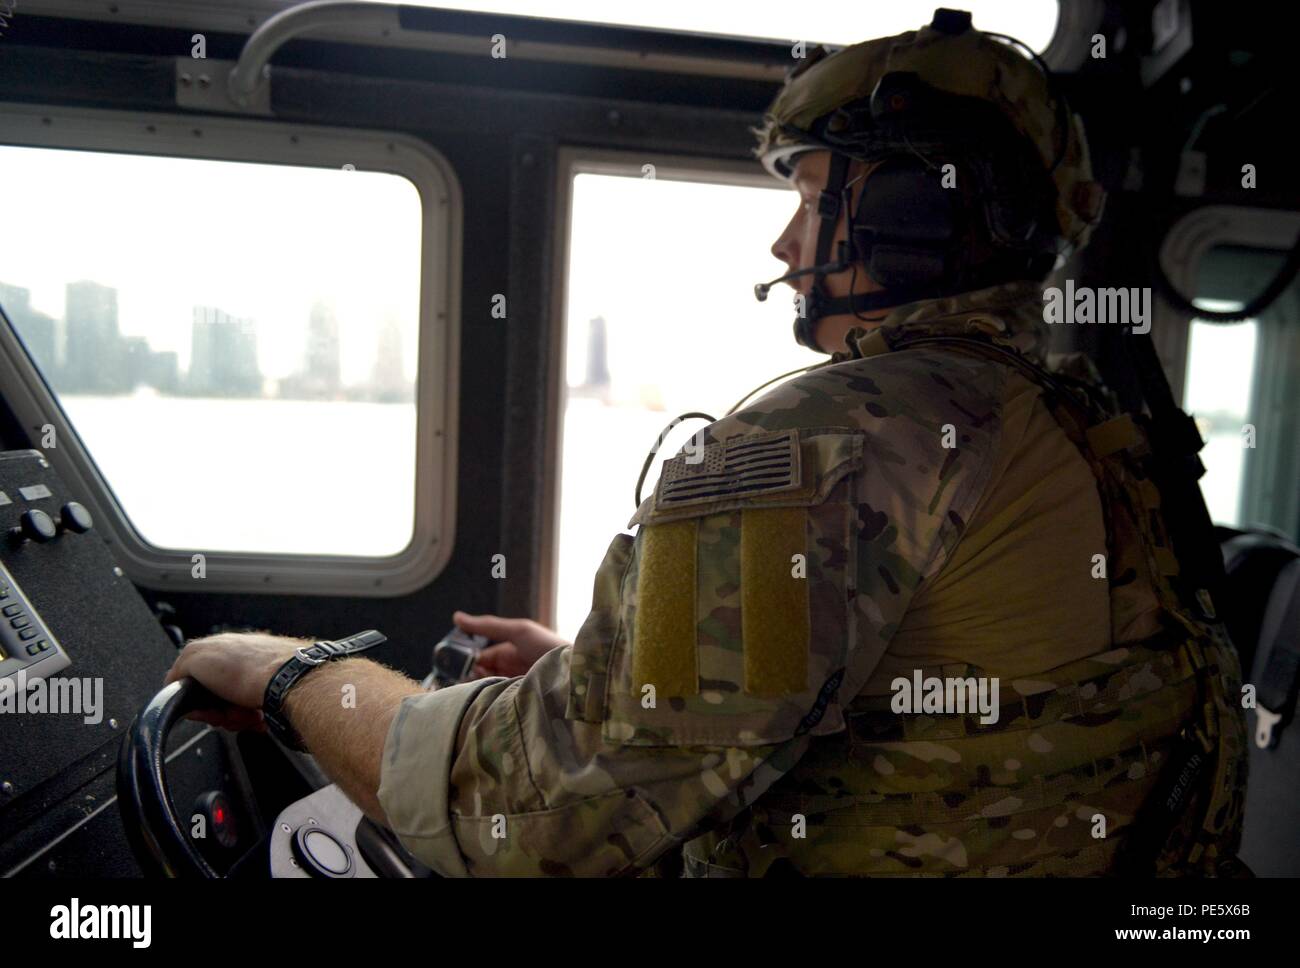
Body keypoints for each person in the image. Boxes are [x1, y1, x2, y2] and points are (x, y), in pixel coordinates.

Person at [167, 10, 1248, 876]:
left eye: (817, 195)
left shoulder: (850, 428)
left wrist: (290, 670)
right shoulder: (1083, 419)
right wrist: (622, 677)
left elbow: (524, 814)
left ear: (920, 208)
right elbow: (962, 709)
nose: (782, 239)